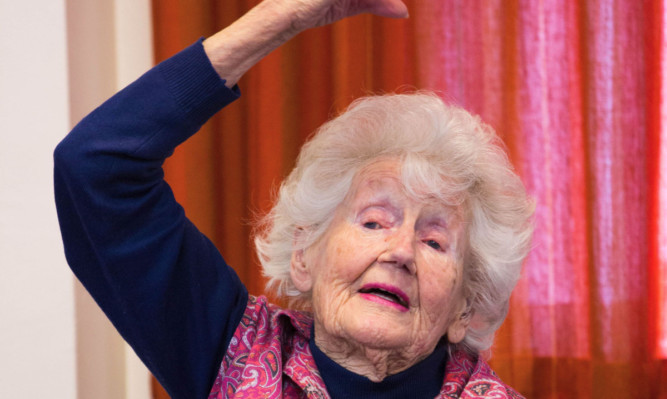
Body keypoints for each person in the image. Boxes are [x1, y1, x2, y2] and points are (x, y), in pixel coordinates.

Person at [54, 0, 534, 398]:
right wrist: (282, 18)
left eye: (434, 242)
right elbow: (97, 167)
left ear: (465, 309)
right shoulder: (232, 351)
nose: (401, 252)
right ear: (304, 255)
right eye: (373, 222)